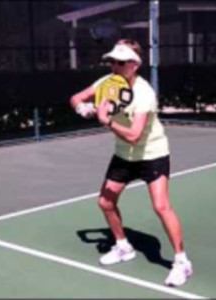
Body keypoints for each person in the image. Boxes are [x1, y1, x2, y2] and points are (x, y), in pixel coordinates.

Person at [70, 39, 193, 286]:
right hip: (124, 155)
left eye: (121, 62)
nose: (115, 66)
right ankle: (123, 246)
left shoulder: (144, 93)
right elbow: (76, 97)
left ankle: (182, 262)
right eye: (113, 61)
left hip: (152, 153)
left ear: (134, 65)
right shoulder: (107, 83)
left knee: (161, 206)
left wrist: (106, 120)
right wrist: (83, 108)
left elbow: (135, 135)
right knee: (105, 201)